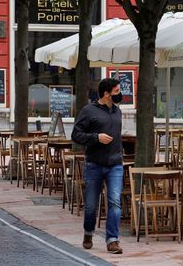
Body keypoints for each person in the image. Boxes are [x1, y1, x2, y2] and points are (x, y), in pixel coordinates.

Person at [71, 78, 124, 254]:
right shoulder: (88, 111)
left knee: (115, 202)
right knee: (91, 205)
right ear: (106, 94)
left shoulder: (118, 112)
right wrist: (96, 138)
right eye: (116, 91)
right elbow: (76, 135)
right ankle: (88, 232)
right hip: (93, 164)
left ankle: (112, 240)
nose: (120, 94)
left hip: (115, 164)